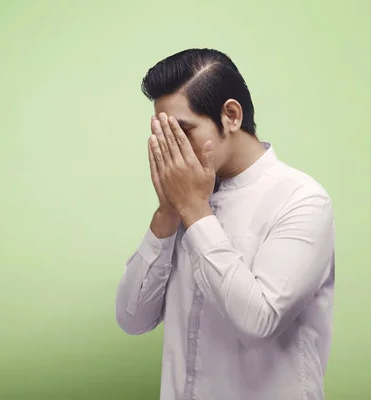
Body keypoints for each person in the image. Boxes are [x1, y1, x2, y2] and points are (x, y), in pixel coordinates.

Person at [115, 48, 335, 400]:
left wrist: (194, 209)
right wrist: (167, 213)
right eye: (163, 134)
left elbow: (258, 323)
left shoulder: (302, 200)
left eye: (182, 131)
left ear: (231, 115)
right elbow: (132, 318)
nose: (172, 150)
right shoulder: (188, 199)